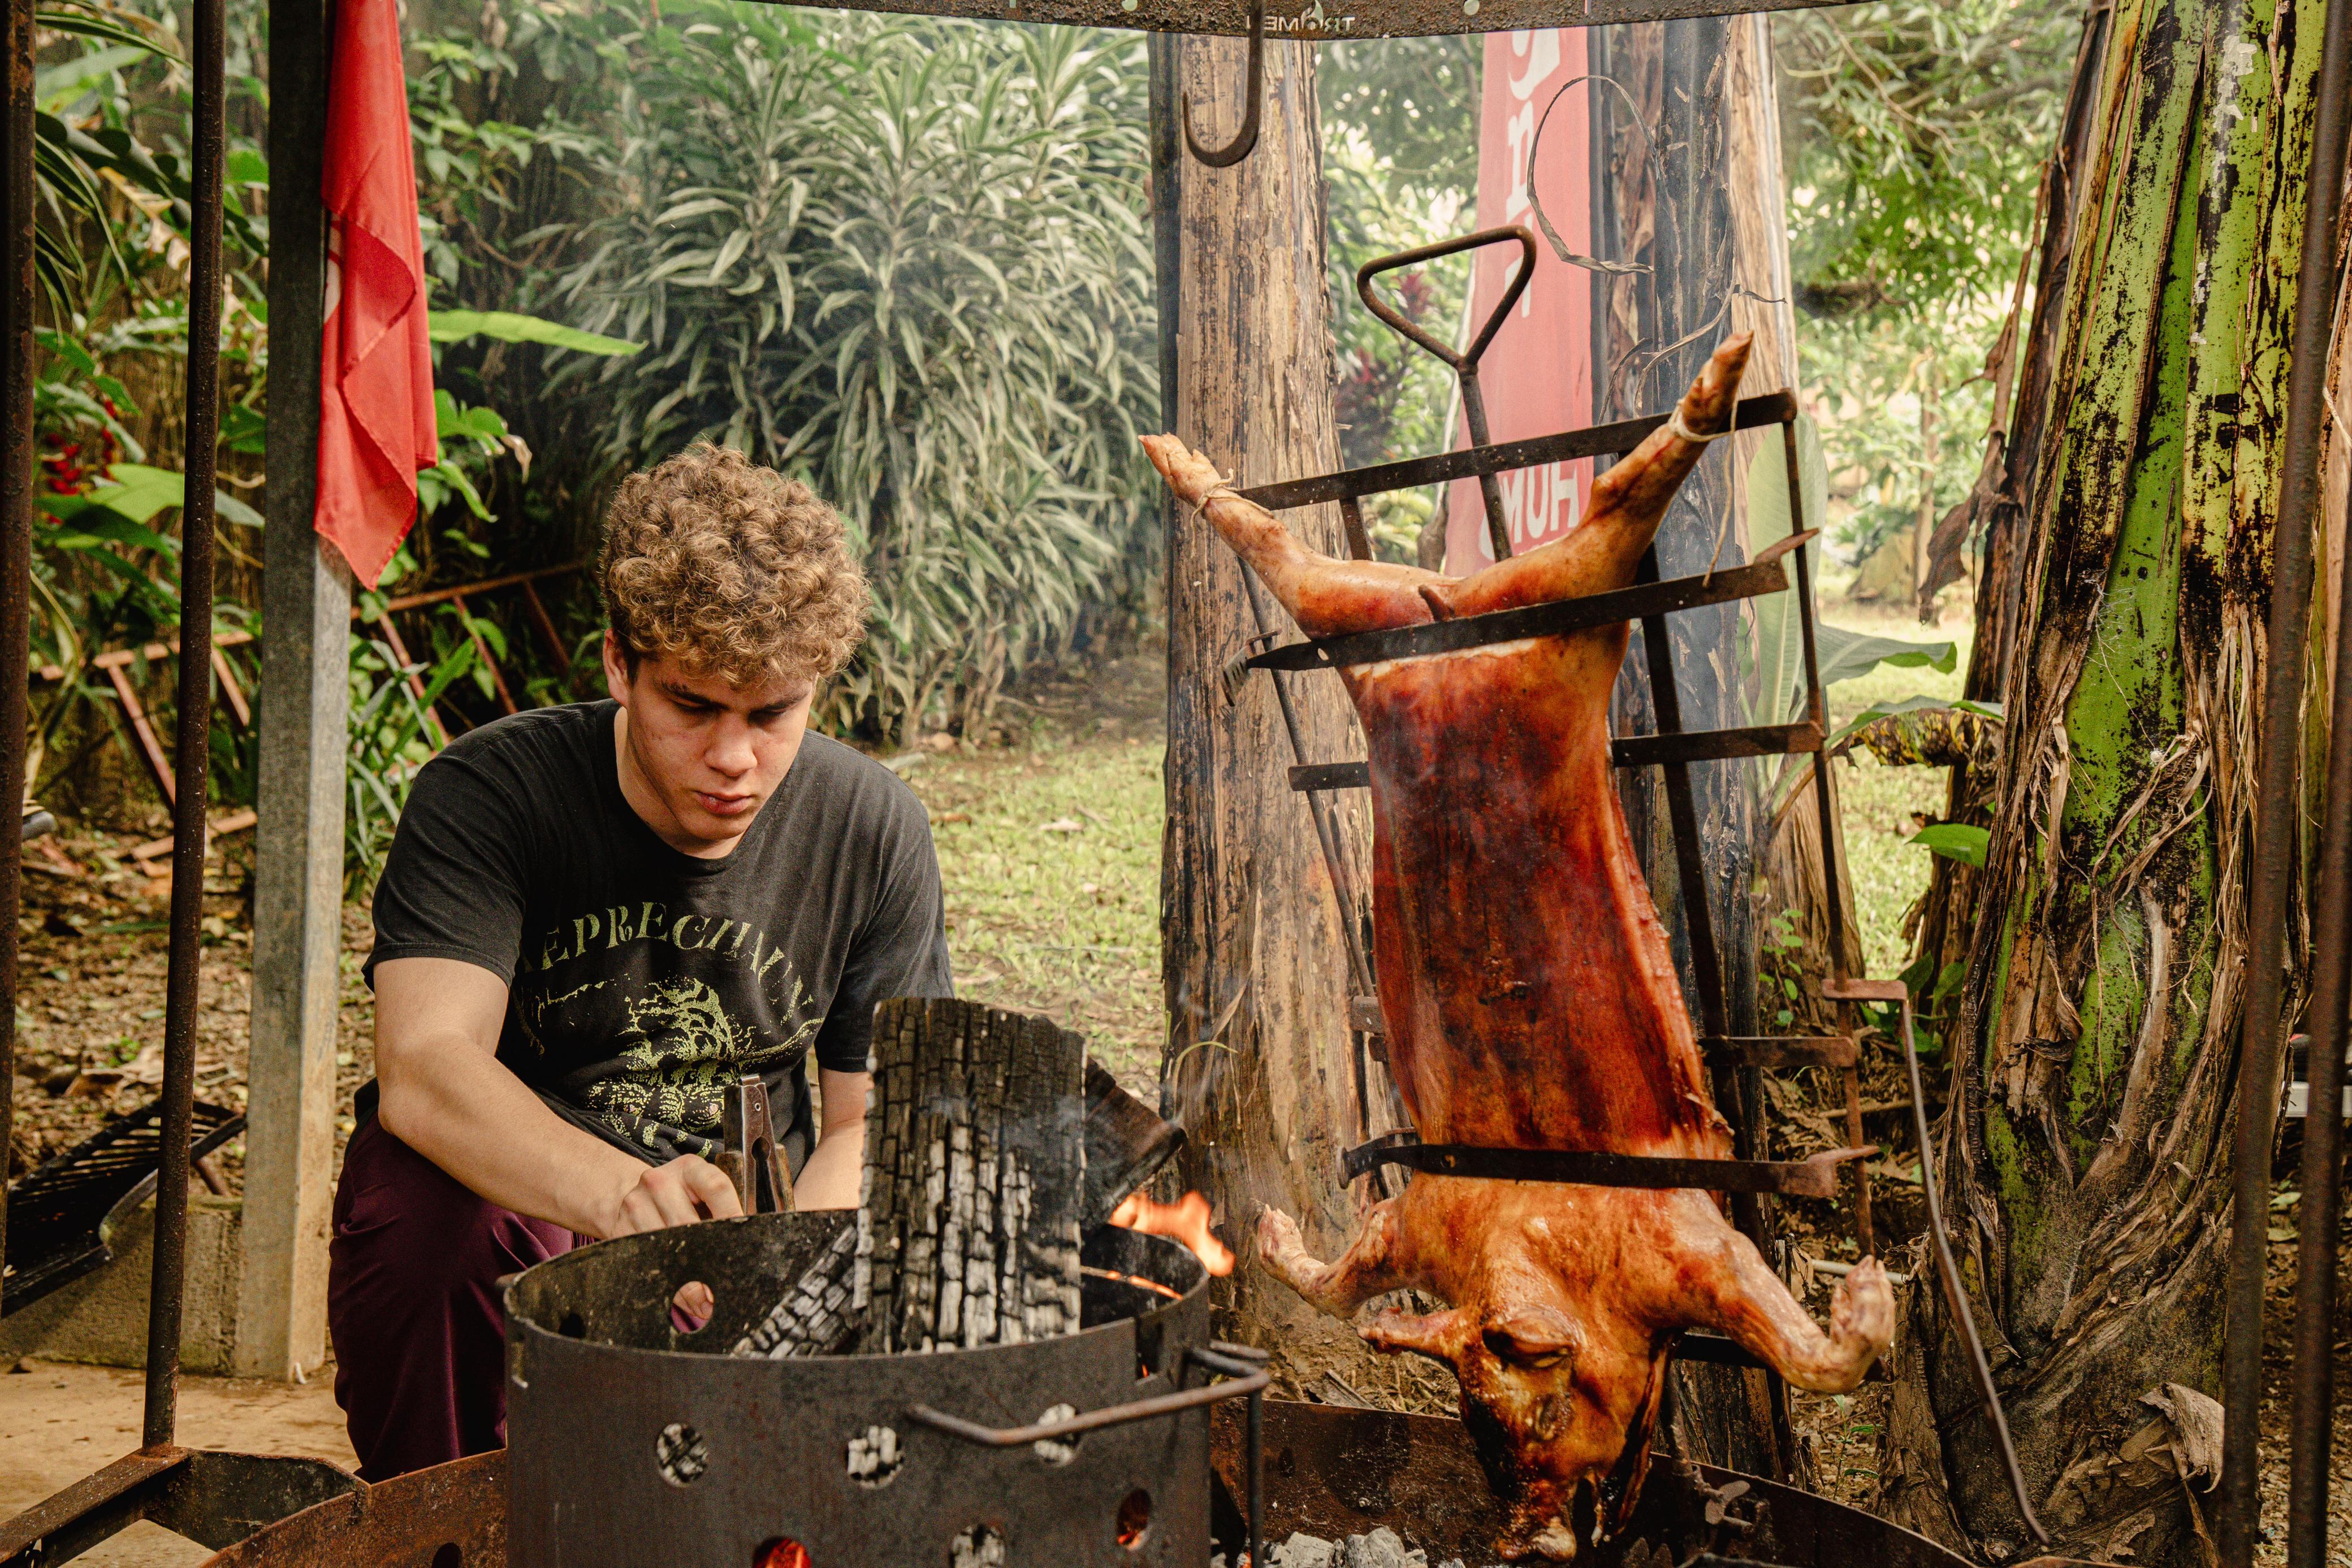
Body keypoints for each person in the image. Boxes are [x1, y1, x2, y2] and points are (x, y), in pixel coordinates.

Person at [327, 444, 952, 1480]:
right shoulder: (489, 795)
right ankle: (451, 1531)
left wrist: (777, 1261)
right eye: (693, 706)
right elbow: (427, 1067)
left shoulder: (873, 826)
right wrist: (624, 1203)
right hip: (529, 1218)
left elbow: (869, 1115)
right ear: (618, 663)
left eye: (772, 714)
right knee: (424, 1216)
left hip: (751, 1216)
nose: (734, 758)